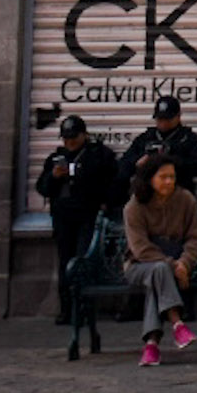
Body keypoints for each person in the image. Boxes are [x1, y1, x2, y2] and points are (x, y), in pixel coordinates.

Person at [32, 114, 121, 326]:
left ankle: (84, 307)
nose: (69, 142)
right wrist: (54, 176)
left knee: (83, 261)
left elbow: (115, 184)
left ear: (84, 135)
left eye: (73, 137)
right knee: (65, 262)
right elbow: (42, 187)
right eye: (66, 138)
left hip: (87, 217)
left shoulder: (98, 156)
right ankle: (67, 309)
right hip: (63, 218)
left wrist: (104, 203)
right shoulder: (57, 159)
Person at [121, 150, 197, 368]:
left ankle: (151, 346)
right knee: (158, 269)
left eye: (172, 177)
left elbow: (194, 239)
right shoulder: (134, 206)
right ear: (150, 179)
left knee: (158, 277)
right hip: (139, 266)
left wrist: (184, 262)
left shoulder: (185, 200)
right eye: (163, 177)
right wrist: (173, 265)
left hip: (173, 265)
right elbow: (140, 249)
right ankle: (177, 324)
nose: (168, 182)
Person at [124, 95, 197, 195]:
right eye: (160, 119)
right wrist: (139, 163)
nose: (163, 123)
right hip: (148, 196)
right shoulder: (145, 138)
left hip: (178, 195)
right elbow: (124, 165)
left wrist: (171, 161)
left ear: (178, 117)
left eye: (167, 119)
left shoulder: (188, 139)